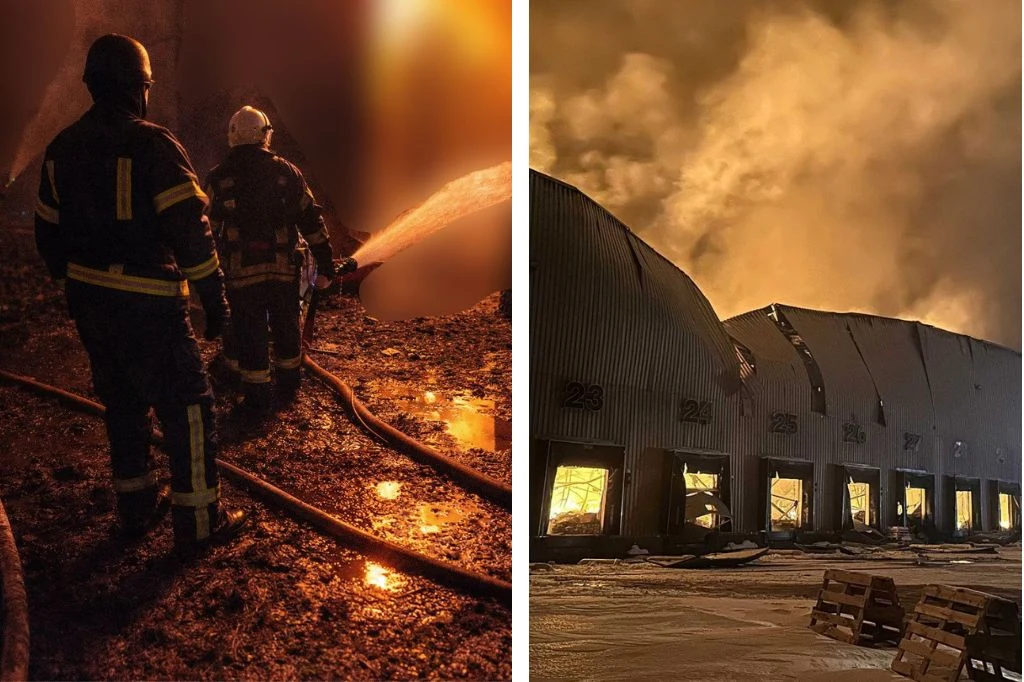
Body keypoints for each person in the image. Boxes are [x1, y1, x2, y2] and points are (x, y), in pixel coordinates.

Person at [34, 34, 248, 548]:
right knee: (189, 407)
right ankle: (197, 525)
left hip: (90, 304)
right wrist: (214, 300)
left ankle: (135, 509)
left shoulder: (61, 147)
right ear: (138, 87)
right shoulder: (154, 144)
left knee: (123, 403)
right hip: (149, 303)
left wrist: (79, 281)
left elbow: (48, 233)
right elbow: (190, 232)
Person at [204, 106, 334, 413]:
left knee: (249, 331)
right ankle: (289, 386)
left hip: (240, 272)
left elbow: (202, 227)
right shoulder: (286, 172)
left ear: (233, 136)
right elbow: (311, 221)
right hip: (282, 270)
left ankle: (256, 397)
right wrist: (326, 263)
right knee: (286, 326)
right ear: (266, 135)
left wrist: (202, 272)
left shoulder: (218, 177)